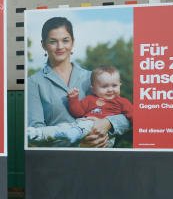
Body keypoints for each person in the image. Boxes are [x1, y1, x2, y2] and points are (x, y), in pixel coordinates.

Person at [27, 16, 129, 147]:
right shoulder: (34, 82)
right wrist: (80, 145)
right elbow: (35, 134)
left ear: (73, 42)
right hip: (58, 157)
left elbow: (124, 114)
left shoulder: (92, 77)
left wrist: (108, 123)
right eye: (53, 41)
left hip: (99, 154)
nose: (60, 46)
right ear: (43, 45)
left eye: (65, 40)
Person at [28, 65, 134, 145]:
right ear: (93, 89)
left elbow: (132, 115)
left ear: (120, 85)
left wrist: (108, 122)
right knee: (63, 127)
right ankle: (38, 133)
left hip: (104, 136)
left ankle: (73, 133)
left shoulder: (122, 102)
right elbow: (78, 112)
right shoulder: (90, 99)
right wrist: (73, 99)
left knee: (85, 125)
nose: (110, 89)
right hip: (81, 126)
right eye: (105, 87)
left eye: (114, 86)